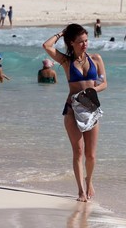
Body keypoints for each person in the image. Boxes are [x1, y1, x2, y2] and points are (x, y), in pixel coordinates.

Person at [42, 24, 108, 202]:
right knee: (78, 151)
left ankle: (89, 181)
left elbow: (104, 84)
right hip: (72, 109)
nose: (85, 44)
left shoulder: (96, 59)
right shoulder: (66, 61)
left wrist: (93, 90)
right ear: (71, 43)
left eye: (86, 40)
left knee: (91, 155)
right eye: (80, 42)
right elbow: (47, 46)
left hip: (91, 108)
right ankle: (81, 191)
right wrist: (62, 32)